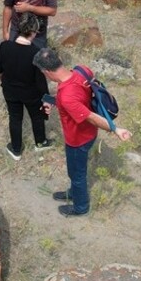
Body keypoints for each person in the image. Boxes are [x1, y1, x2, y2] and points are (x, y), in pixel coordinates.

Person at [34, 47, 132, 217]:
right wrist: (52, 101)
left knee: (77, 174)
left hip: (78, 139)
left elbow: (91, 117)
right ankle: (73, 193)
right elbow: (81, 97)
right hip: (87, 133)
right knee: (75, 172)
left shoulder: (67, 97)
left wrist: (116, 129)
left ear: (47, 72)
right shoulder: (81, 70)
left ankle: (81, 207)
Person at [0, 12, 50, 161]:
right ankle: (41, 142)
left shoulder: (4, 46)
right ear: (33, 32)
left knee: (15, 117)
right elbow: (41, 82)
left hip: (10, 90)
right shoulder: (35, 53)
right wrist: (47, 100)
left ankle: (16, 148)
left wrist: (4, 80)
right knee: (37, 117)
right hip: (31, 94)